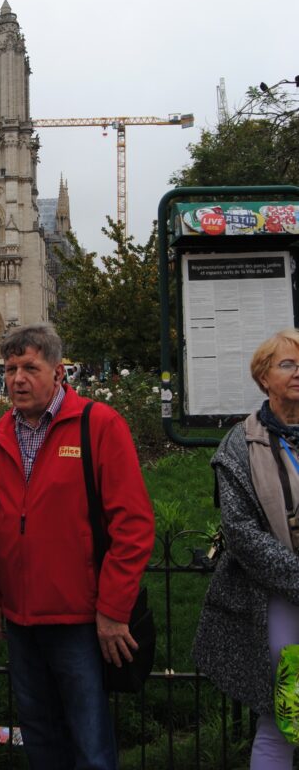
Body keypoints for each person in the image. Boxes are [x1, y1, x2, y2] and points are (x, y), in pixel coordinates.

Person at [0, 324, 154, 770]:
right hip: (21, 616)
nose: (17, 378)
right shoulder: (2, 431)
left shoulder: (99, 424)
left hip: (79, 615)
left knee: (89, 741)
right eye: (11, 368)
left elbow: (133, 526)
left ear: (58, 372)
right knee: (40, 738)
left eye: (30, 368)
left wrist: (113, 610)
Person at [194, 328, 299, 769]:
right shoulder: (242, 443)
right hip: (278, 599)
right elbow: (239, 531)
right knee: (282, 717)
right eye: (288, 364)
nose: (298, 373)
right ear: (264, 378)